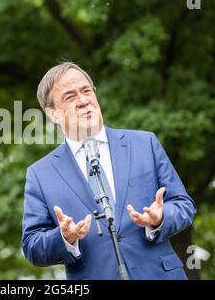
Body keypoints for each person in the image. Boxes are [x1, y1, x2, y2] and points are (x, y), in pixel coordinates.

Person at [21, 62, 196, 280]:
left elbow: (183, 204)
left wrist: (160, 218)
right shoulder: (40, 174)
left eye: (86, 91)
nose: (83, 101)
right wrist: (64, 237)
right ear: (52, 114)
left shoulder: (144, 143)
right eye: (70, 97)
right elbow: (31, 245)